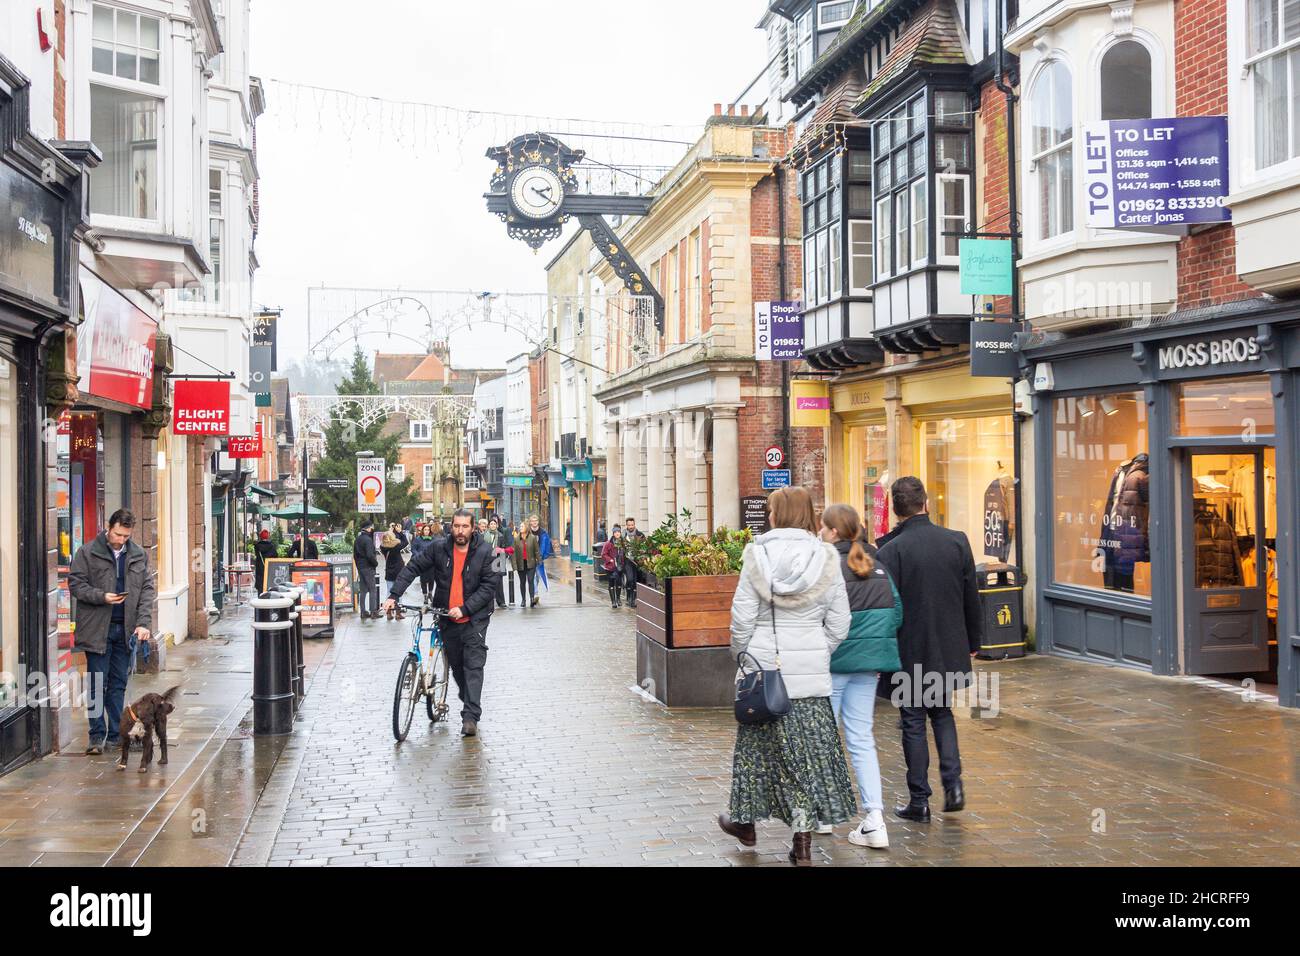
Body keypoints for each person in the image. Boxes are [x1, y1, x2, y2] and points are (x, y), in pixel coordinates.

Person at [717, 486, 855, 866]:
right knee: (805, 762)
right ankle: (803, 843)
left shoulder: (757, 556)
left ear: (775, 515)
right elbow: (840, 623)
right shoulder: (826, 557)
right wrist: (816, 651)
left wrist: (745, 659)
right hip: (810, 684)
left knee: (755, 756)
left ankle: (745, 824)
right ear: (809, 515)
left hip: (765, 679)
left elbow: (742, 618)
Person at [874, 476, 983, 822]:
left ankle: (919, 801)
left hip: (908, 651)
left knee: (912, 722)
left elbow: (887, 609)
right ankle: (954, 787)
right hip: (947, 646)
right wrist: (974, 641)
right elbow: (972, 597)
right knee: (942, 713)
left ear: (895, 509)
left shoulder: (890, 551)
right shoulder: (956, 541)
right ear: (926, 504)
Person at [820, 503, 902, 849]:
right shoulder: (878, 567)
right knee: (861, 739)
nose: (820, 533)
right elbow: (896, 613)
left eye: (823, 528)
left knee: (825, 738)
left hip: (835, 664)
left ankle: (823, 814)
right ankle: (875, 820)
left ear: (835, 532)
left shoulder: (829, 568)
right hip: (869, 666)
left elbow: (818, 614)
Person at [385, 509, 498, 737]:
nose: (460, 531)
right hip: (447, 616)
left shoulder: (488, 552)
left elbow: (489, 586)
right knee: (456, 666)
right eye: (456, 526)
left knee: (473, 665)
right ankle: (469, 700)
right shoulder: (439, 548)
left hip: (474, 618)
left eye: (465, 526)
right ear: (451, 527)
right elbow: (413, 567)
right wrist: (393, 595)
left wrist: (465, 608)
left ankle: (470, 717)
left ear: (473, 528)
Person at [68, 509, 156, 755]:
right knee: (97, 683)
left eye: (126, 536)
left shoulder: (138, 555)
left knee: (118, 684)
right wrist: (102, 596)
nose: (121, 540)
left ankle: (117, 735)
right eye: (117, 534)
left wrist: (143, 624)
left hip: (125, 630)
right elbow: (75, 583)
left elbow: (147, 590)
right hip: (98, 628)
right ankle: (96, 736)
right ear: (109, 528)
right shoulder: (87, 552)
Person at [353, 518, 380, 620]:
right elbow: (370, 555)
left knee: (363, 590)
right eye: (371, 527)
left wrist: (358, 565)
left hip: (361, 567)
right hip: (368, 567)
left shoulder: (358, 539)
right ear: (368, 528)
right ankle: (373, 612)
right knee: (372, 589)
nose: (372, 529)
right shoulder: (368, 540)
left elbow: (355, 555)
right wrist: (375, 563)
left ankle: (363, 612)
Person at [380, 527, 409, 620]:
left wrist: (389, 532)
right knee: (398, 592)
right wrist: (400, 532)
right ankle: (398, 612)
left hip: (389, 571)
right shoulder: (396, 546)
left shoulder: (383, 547)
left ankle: (389, 612)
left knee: (389, 592)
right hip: (399, 571)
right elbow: (405, 542)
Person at [513, 517, 541, 608]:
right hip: (521, 563)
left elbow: (536, 551)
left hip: (531, 563)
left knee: (530, 581)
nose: (520, 528)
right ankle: (523, 600)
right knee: (522, 582)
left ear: (526, 527)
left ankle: (532, 599)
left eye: (522, 526)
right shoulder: (517, 539)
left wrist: (538, 560)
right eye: (520, 526)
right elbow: (513, 553)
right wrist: (514, 566)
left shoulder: (532, 538)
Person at [599, 527, 627, 608]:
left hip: (620, 567)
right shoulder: (608, 543)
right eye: (616, 532)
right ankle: (613, 601)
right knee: (611, 583)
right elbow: (603, 554)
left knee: (618, 582)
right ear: (613, 533)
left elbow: (625, 553)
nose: (617, 533)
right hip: (610, 567)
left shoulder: (623, 543)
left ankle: (618, 599)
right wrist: (610, 560)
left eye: (618, 532)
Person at [483, 517, 507, 609]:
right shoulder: (484, 535)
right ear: (489, 525)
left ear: (497, 525)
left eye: (494, 524)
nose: (493, 525)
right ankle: (487, 601)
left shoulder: (500, 536)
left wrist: (503, 567)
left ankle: (501, 601)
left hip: (497, 561)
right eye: (491, 524)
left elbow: (503, 550)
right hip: (487, 561)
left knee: (499, 582)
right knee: (487, 581)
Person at [622, 517, 645, 608]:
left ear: (634, 524)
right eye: (629, 525)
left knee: (636, 580)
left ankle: (633, 599)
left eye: (632, 525)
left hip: (637, 561)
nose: (631, 526)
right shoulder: (623, 536)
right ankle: (628, 597)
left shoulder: (640, 535)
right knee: (630, 579)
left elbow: (644, 547)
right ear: (626, 525)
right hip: (627, 561)